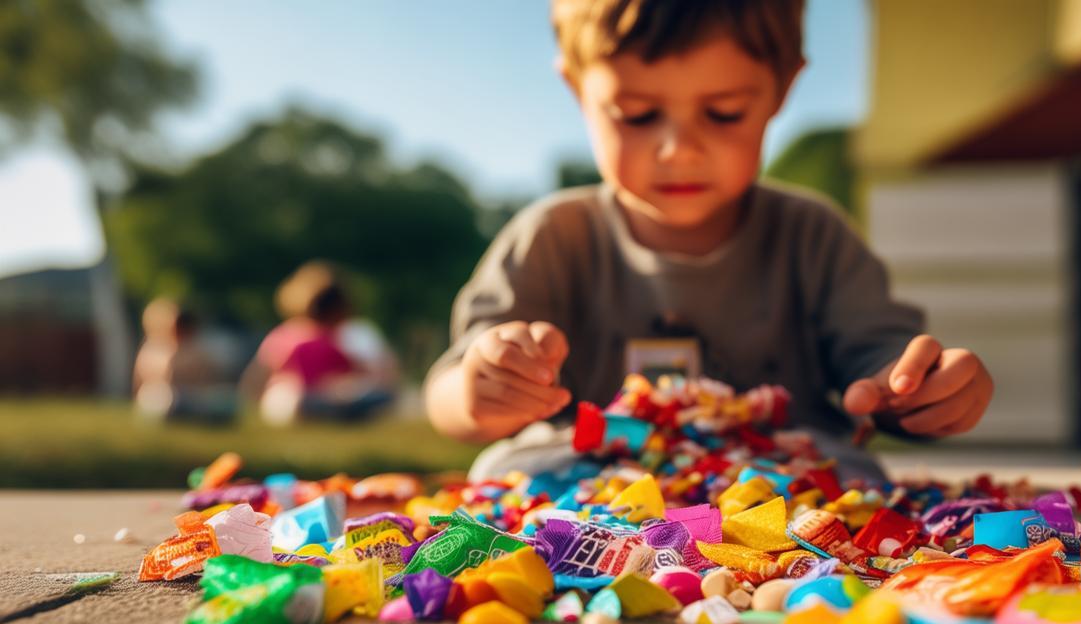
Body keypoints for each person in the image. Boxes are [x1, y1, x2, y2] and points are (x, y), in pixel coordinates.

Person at [424, 0, 993, 481]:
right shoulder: (553, 237)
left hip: (788, 492)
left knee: (854, 474)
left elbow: (879, 362)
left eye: (723, 113)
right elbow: (449, 394)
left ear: (782, 89)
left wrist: (913, 391)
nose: (679, 150)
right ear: (578, 90)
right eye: (637, 115)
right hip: (583, 490)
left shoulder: (813, 236)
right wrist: (481, 390)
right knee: (505, 471)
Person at [243, 262, 398, 425]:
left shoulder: (346, 336)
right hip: (299, 399)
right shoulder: (288, 338)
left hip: (328, 398)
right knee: (297, 399)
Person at [133, 298, 236, 423]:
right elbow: (165, 379)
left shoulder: (195, 349)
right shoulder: (155, 350)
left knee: (223, 400)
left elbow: (209, 377)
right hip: (162, 396)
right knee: (171, 399)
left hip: (192, 397)